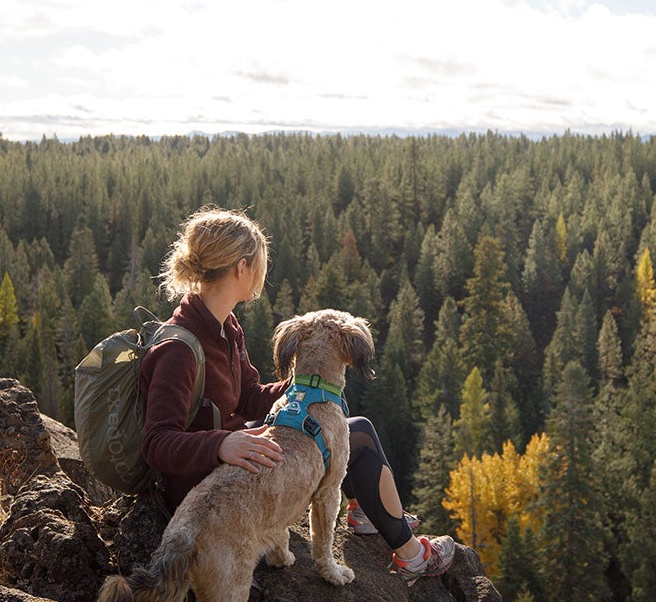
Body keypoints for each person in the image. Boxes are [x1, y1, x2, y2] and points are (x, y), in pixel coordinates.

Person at [139, 207, 458, 578]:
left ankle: (371, 514)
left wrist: (313, 381)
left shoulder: (225, 325)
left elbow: (246, 397)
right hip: (211, 488)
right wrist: (221, 445)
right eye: (259, 263)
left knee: (343, 429)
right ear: (241, 268)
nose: (262, 273)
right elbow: (157, 443)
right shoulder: (179, 348)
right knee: (357, 434)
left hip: (240, 449)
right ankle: (409, 552)